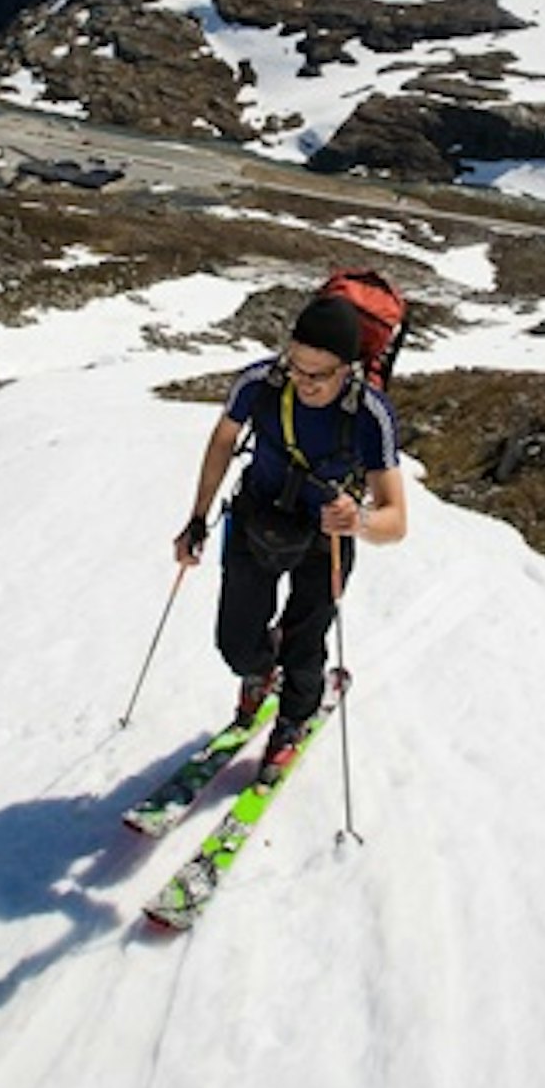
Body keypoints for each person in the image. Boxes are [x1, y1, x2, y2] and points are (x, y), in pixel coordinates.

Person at [175, 292, 407, 773]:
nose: (303, 382)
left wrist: (358, 521)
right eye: (296, 366)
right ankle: (259, 672)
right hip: (257, 519)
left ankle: (293, 720)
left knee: (306, 646)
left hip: (326, 542)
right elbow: (223, 441)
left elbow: (395, 519)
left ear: (348, 368)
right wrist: (197, 517)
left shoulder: (371, 414)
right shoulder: (261, 382)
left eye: (318, 374)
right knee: (236, 644)